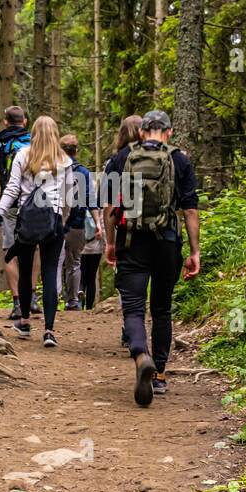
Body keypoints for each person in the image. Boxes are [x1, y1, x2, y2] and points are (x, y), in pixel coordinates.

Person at [103, 110, 200, 406]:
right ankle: (158, 375)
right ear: (168, 132)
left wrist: (110, 243)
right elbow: (190, 210)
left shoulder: (121, 159)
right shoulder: (179, 160)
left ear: (143, 132)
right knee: (161, 309)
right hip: (167, 243)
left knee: (133, 309)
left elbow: (108, 207)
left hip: (131, 242)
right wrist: (195, 251)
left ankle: (140, 355)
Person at [0, 116, 74, 347]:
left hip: (26, 221)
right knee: (49, 272)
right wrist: (62, 221)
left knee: (26, 272)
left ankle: (25, 321)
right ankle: (49, 331)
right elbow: (68, 197)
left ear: (33, 132)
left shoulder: (22, 155)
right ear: (55, 134)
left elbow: (12, 189)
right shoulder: (64, 159)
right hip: (53, 221)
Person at [0, 106, 39, 318]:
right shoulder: (34, 143)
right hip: (34, 203)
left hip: (10, 202)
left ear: (5, 122)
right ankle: (32, 297)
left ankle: (17, 302)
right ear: (24, 121)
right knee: (34, 249)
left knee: (9, 250)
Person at [108, 115, 143, 344]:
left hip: (126, 228)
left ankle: (129, 326)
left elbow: (108, 203)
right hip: (158, 227)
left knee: (128, 282)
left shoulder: (116, 159)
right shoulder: (159, 155)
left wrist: (109, 242)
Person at [56, 134, 97, 311]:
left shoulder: (53, 170)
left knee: (55, 262)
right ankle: (72, 301)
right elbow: (90, 199)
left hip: (55, 223)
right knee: (74, 263)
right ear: (76, 151)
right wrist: (98, 223)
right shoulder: (83, 172)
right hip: (77, 224)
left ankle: (53, 298)